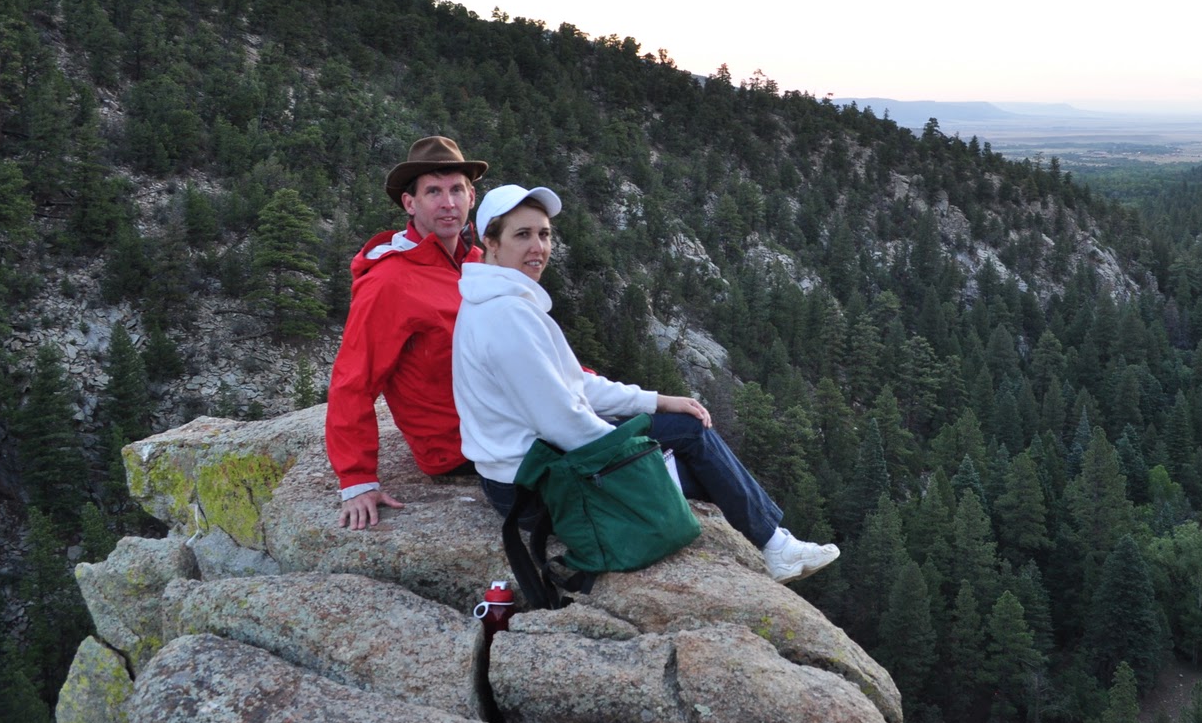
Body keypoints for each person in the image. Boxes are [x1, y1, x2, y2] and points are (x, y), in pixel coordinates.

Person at [453, 183, 840, 583]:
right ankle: (774, 544)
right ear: (491, 243)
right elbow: (563, 422)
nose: (538, 247)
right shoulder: (507, 318)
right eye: (522, 235)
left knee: (687, 434)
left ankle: (774, 542)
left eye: (544, 234)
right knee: (691, 451)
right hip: (535, 487)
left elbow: (577, 386)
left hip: (527, 470)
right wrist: (638, 457)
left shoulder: (497, 301)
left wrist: (657, 401)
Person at [325, 136, 488, 530]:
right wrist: (357, 480)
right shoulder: (390, 281)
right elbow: (353, 380)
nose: (448, 203)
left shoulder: (478, 263)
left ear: (471, 197)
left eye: (456, 190)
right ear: (410, 203)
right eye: (433, 192)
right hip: (460, 448)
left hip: (504, 420)